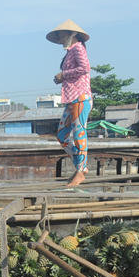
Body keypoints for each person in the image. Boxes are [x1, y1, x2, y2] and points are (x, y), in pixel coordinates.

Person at [48, 19, 92, 187]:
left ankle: (80, 171)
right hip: (71, 98)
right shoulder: (70, 52)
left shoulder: (78, 48)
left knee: (79, 133)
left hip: (80, 97)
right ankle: (81, 166)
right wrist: (62, 78)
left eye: (62, 36)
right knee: (62, 135)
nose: (60, 40)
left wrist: (63, 75)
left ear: (72, 34)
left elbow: (85, 68)